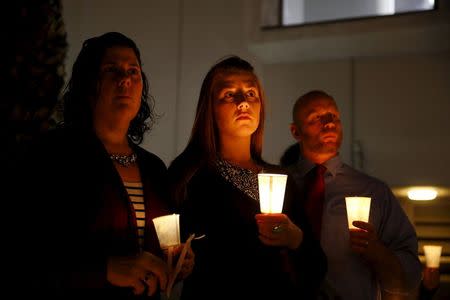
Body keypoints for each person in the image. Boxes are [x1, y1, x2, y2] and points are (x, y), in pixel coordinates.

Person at [17, 32, 194, 298]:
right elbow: (26, 254)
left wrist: (178, 260)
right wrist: (105, 269)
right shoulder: (53, 156)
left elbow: (166, 244)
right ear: (88, 84)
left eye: (133, 71)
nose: (125, 79)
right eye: (111, 70)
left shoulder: (153, 169)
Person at [168, 56, 327, 299]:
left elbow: (316, 267)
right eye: (230, 95)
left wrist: (295, 238)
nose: (243, 102)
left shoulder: (281, 179)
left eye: (251, 93)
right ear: (209, 107)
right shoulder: (190, 175)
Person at [287, 90, 422, 299]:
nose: (329, 123)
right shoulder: (279, 186)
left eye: (334, 116)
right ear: (296, 131)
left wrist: (376, 251)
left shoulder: (374, 192)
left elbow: (411, 272)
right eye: (317, 117)